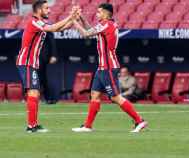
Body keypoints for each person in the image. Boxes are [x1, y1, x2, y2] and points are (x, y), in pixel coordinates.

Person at [71, 3, 148, 133]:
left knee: (115, 97)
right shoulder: (107, 25)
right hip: (102, 67)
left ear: (106, 13)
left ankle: (139, 121)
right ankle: (88, 126)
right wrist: (82, 18)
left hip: (108, 67)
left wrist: (73, 20)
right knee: (94, 95)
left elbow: (86, 34)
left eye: (99, 12)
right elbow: (91, 30)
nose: (97, 14)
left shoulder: (106, 24)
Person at [16, 0, 80, 133]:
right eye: (46, 8)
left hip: (32, 63)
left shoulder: (40, 24)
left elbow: (61, 28)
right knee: (33, 92)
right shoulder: (34, 22)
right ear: (39, 10)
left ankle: (33, 124)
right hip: (26, 62)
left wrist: (73, 18)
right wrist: (70, 17)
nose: (49, 11)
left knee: (35, 93)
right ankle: (31, 126)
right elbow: (53, 28)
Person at [39, 32, 58, 104]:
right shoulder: (33, 25)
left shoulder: (45, 26)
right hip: (34, 56)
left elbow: (52, 41)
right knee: (39, 78)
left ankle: (49, 98)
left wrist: (54, 55)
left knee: (43, 78)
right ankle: (46, 98)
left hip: (43, 57)